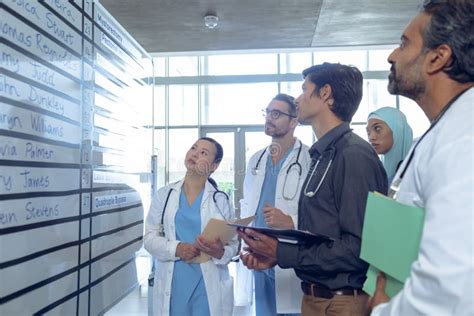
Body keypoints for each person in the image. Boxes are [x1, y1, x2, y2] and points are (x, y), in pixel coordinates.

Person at [238, 63, 388, 316]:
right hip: (315, 297)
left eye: (304, 89)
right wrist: (275, 256)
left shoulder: (352, 156)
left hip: (341, 302)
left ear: (325, 94)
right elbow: (323, 231)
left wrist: (282, 251)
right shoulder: (323, 156)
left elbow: (358, 248)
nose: (298, 99)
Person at [369, 0, 474, 314]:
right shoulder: (447, 127)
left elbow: (452, 287)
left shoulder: (463, 137)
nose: (392, 56)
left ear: (438, 58)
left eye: (404, 43)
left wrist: (385, 311)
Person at [144, 137, 238, 316]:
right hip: (173, 283)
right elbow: (149, 239)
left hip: (207, 284)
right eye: (194, 148)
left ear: (214, 166)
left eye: (204, 153)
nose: (195, 153)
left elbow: (233, 245)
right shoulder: (164, 195)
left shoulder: (220, 200)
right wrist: (177, 248)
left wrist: (220, 252)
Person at [235, 93, 311, 315]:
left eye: (276, 113)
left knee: (291, 308)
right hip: (258, 252)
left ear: (294, 121)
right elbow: (248, 203)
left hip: (288, 254)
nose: (269, 118)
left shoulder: (309, 159)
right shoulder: (256, 159)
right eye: (267, 112)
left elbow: (318, 211)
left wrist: (291, 221)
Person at [366, 107, 413, 184]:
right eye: (368, 132)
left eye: (377, 128)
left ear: (397, 130)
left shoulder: (416, 171)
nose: (371, 137)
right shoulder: (376, 170)